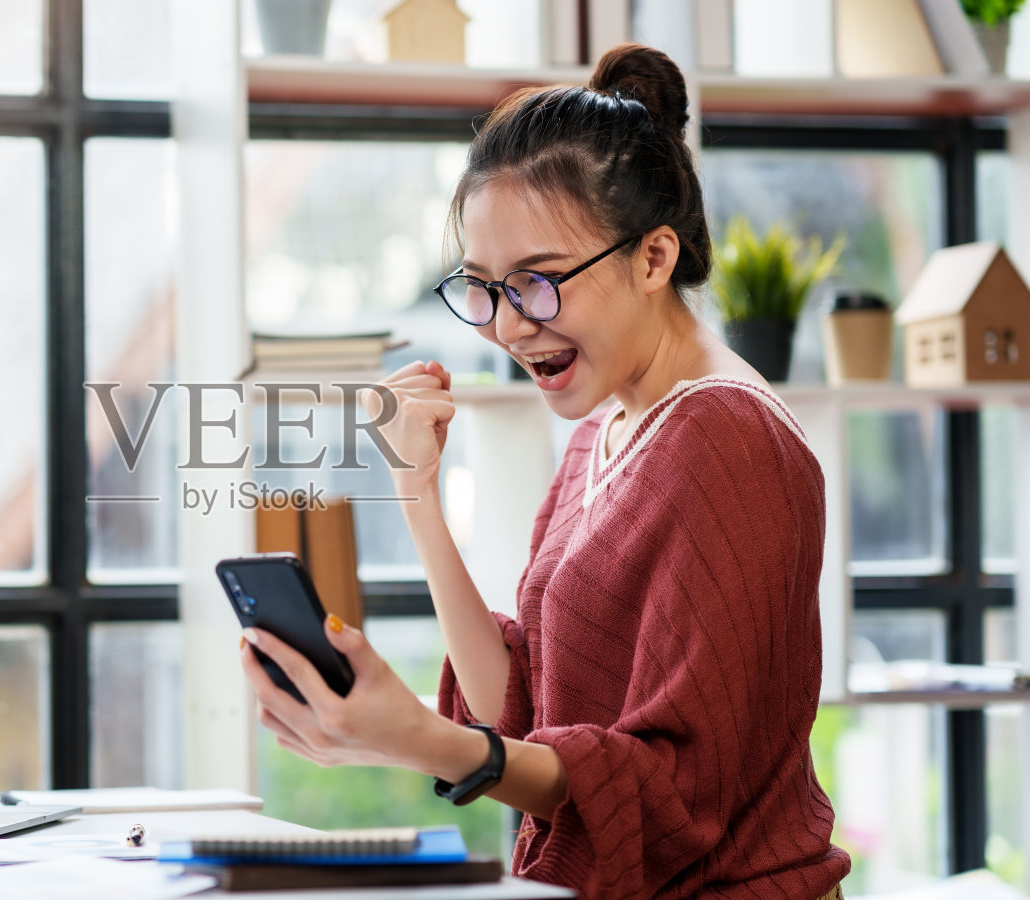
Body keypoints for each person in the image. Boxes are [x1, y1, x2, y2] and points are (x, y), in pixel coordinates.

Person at [236, 43, 852, 900]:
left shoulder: (729, 441)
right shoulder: (611, 425)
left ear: (652, 257)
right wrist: (417, 498)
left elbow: (675, 793)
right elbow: (522, 711)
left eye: (539, 282)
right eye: (486, 287)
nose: (506, 326)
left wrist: (422, 740)